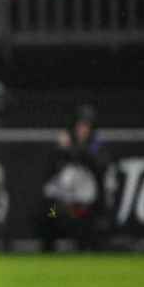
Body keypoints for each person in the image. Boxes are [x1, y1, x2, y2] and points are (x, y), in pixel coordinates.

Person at [39, 104, 110, 251]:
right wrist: (61, 150)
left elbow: (99, 164)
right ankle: (47, 258)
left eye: (86, 126)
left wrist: (71, 148)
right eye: (79, 125)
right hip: (61, 204)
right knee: (49, 214)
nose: (82, 130)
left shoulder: (96, 146)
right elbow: (49, 176)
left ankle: (84, 255)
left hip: (85, 206)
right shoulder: (61, 146)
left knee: (85, 221)